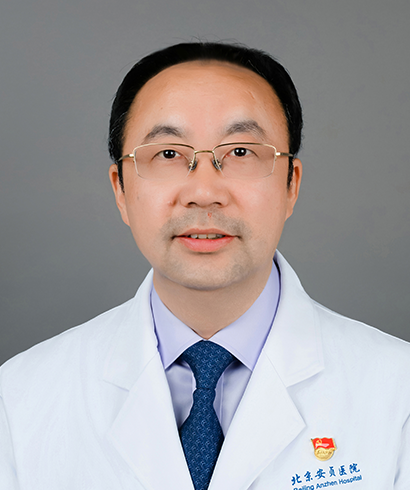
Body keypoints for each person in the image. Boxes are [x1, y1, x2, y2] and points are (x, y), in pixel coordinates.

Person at [0, 42, 409, 490]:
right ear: (120, 189)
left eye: (241, 152)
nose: (204, 192)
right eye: (168, 154)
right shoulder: (19, 399)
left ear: (291, 184)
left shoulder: (397, 393)